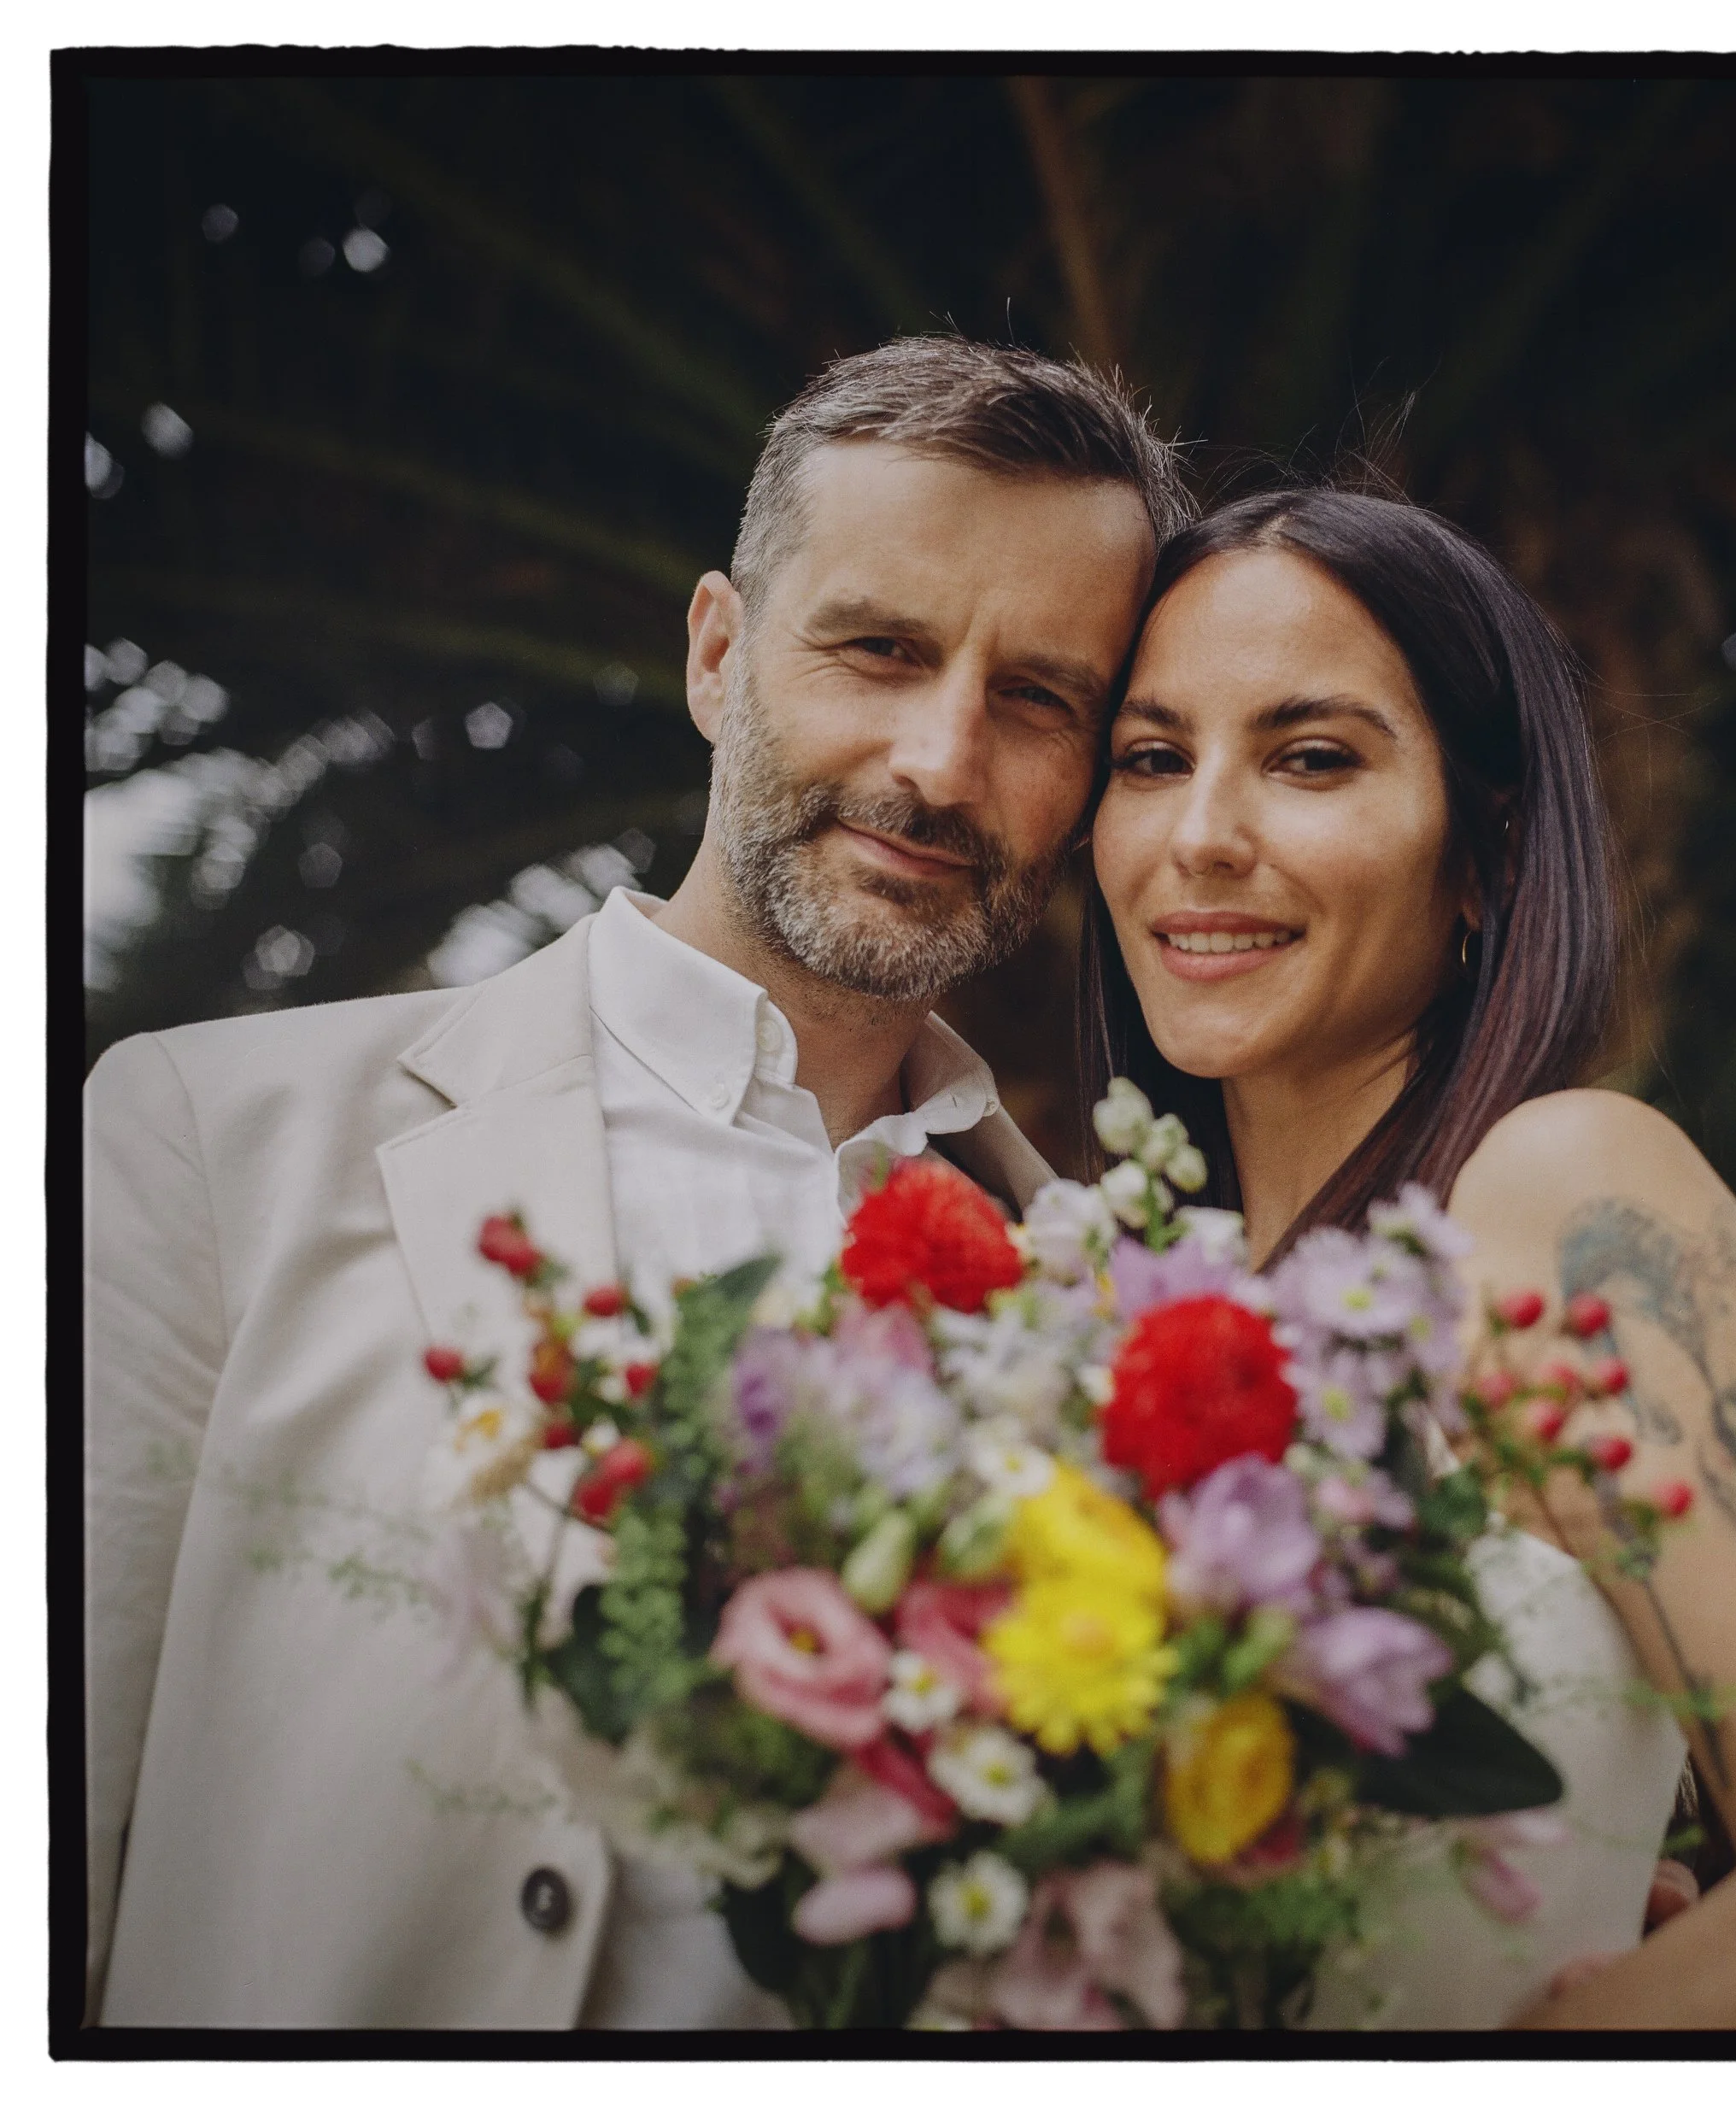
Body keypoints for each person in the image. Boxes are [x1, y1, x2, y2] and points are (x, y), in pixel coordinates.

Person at [82, 336, 1186, 2027]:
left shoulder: (1108, 1323)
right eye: (876, 649)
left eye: (1036, 696)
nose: (941, 762)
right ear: (717, 652)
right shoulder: (205, 1138)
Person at [1079, 484, 1736, 2027]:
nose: (1201, 836)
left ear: (1486, 849)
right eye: (1151, 759)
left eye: (1312, 758)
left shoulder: (1558, 1195)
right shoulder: (1127, 1306)